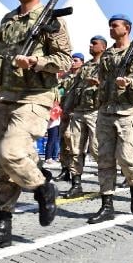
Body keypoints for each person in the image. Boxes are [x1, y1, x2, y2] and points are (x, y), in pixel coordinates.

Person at [0, 0, 72, 252]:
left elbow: (64, 60)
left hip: (35, 97)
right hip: (6, 96)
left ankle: (42, 187)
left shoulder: (51, 21)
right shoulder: (9, 19)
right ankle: (2, 227)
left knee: (10, 153)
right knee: (2, 168)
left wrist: (36, 62)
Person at [87, 14, 133, 224]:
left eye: (115, 25)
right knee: (104, 158)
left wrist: (129, 82)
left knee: (125, 156)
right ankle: (107, 204)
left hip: (129, 111)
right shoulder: (107, 55)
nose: (111, 28)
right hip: (106, 111)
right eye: (109, 25)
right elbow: (104, 80)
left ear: (127, 28)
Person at [61, 35, 106, 198]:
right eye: (90, 42)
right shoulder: (85, 66)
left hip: (96, 112)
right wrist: (66, 110)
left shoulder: (107, 66)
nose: (91, 45)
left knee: (96, 149)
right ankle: (76, 184)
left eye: (94, 43)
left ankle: (105, 183)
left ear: (103, 47)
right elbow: (73, 89)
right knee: (75, 149)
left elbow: (114, 89)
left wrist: (100, 84)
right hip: (79, 111)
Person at [55, 52, 85, 182]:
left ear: (82, 62)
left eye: (76, 60)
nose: (73, 62)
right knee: (63, 141)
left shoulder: (83, 76)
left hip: (76, 113)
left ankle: (75, 172)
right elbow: (57, 89)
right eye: (72, 59)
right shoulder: (66, 76)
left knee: (73, 142)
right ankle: (65, 169)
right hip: (64, 112)